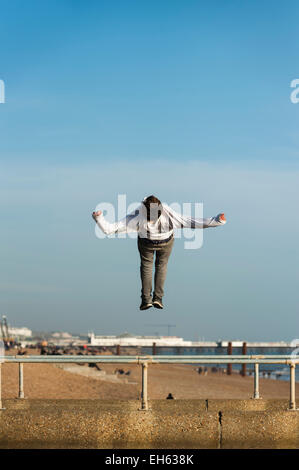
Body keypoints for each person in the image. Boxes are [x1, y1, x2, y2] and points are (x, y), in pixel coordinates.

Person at [92, 195, 226, 310]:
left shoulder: (138, 215)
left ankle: (146, 300)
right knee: (161, 266)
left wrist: (99, 218)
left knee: (146, 267)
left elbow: (109, 229)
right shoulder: (167, 213)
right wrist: (217, 221)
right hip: (165, 242)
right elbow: (193, 222)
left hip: (147, 243)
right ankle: (158, 298)